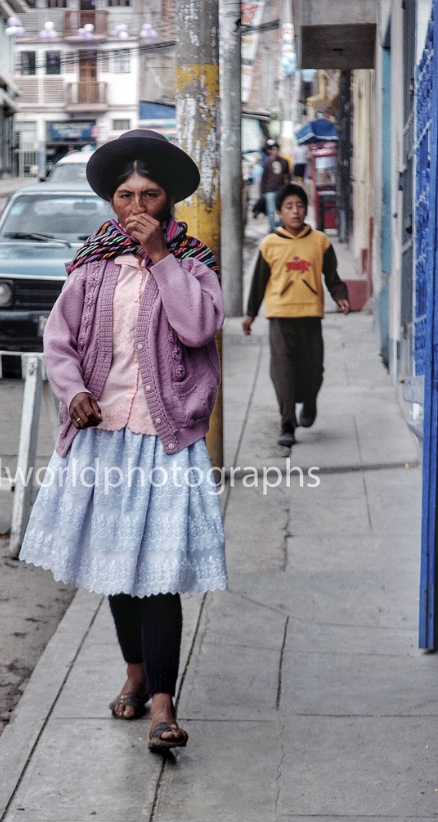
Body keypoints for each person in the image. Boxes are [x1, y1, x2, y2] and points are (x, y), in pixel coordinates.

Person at [19, 129, 227, 754]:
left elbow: (199, 328)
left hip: (167, 442)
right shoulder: (90, 267)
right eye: (125, 194)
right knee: (119, 568)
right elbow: (59, 342)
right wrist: (73, 390)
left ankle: (163, 702)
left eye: (150, 195)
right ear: (112, 202)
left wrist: (161, 256)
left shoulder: (194, 265)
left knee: (159, 574)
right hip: (103, 439)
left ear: (169, 203)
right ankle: (135, 674)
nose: (136, 206)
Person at [242, 183, 350, 447]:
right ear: (279, 212)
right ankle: (287, 424)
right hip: (280, 317)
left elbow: (332, 276)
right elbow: (258, 282)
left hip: (311, 315)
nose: (295, 211)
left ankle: (310, 400)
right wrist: (250, 314)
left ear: (306, 209)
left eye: (300, 206)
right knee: (283, 373)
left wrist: (340, 295)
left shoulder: (320, 242)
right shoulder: (269, 244)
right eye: (289, 207)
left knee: (314, 369)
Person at [259, 140, 290, 233]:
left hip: (281, 189)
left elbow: (288, 175)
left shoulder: (284, 162)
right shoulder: (267, 163)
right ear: (269, 151)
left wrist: (287, 187)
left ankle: (281, 225)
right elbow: (264, 178)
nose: (274, 151)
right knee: (271, 211)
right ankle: (272, 228)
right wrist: (262, 191)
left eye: (276, 149)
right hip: (269, 190)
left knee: (282, 209)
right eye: (272, 150)